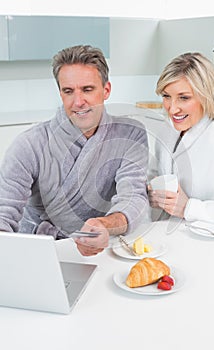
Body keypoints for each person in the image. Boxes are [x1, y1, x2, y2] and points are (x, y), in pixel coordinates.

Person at [0, 45, 149, 256]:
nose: (78, 102)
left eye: (87, 89)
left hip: (103, 247)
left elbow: (133, 196)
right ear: (60, 93)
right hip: (42, 251)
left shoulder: (130, 135)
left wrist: (103, 225)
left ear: (106, 90)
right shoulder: (29, 144)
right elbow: (4, 213)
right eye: (68, 91)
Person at [148, 52, 214, 223]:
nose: (172, 109)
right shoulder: (168, 128)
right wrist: (150, 192)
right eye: (166, 96)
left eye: (184, 98)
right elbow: (155, 174)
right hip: (168, 236)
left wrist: (188, 208)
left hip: (208, 242)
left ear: (206, 96)